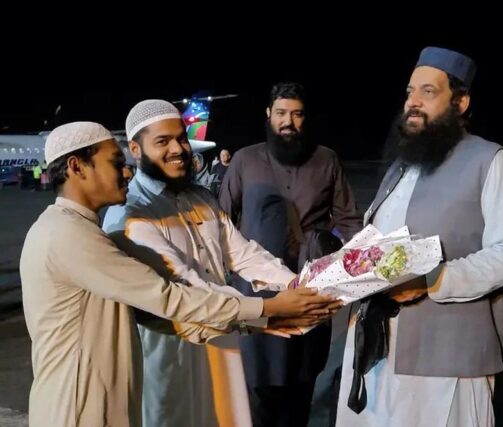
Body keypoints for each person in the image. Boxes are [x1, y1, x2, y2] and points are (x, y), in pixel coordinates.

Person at [20, 121, 336, 427]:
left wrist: (265, 316)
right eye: (117, 163)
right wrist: (269, 308)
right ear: (77, 167)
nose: (126, 171)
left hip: (153, 367)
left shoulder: (76, 228)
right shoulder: (75, 233)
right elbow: (167, 298)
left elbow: (153, 312)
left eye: (181, 138)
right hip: (80, 403)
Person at [103, 100, 341, 427]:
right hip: (173, 355)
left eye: (181, 138)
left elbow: (242, 253)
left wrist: (295, 284)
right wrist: (269, 312)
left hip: (224, 340)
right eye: (162, 141)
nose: (178, 149)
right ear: (135, 149)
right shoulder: (130, 216)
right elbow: (188, 289)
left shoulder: (200, 198)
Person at [335, 46, 503, 427]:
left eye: (428, 91)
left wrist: (434, 280)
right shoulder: (401, 166)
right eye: (410, 92)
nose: (413, 102)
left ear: (460, 102)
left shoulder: (493, 162)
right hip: (377, 348)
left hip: (445, 358)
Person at [219, 82, 362, 427]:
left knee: (302, 385)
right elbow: (221, 222)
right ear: (268, 114)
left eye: (297, 114)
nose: (288, 122)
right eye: (281, 113)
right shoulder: (245, 160)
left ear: (305, 117)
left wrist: (356, 270)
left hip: (311, 292)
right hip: (257, 293)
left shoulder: (326, 160)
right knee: (258, 390)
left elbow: (349, 221)